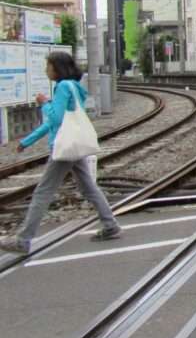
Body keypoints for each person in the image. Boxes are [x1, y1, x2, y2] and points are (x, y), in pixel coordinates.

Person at [0, 52, 121, 254]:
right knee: (89, 188)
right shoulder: (74, 87)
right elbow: (57, 121)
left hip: (64, 148)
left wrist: (44, 103)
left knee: (43, 192)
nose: (46, 70)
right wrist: (27, 141)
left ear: (58, 68)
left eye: (48, 66)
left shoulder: (63, 87)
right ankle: (110, 225)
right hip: (75, 145)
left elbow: (55, 119)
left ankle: (23, 240)